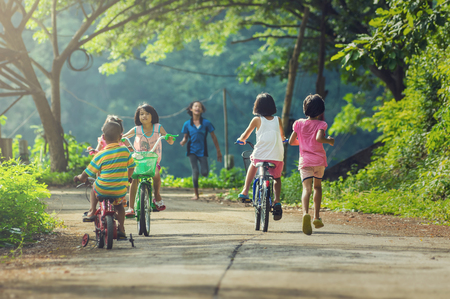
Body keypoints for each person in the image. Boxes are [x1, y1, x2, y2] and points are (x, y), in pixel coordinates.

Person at [74, 122, 136, 239]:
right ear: (120, 137)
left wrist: (80, 178)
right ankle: (121, 228)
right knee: (119, 207)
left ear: (103, 137)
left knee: (94, 188)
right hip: (120, 189)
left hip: (102, 188)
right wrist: (127, 178)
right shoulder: (125, 151)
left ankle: (92, 211)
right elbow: (132, 166)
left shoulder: (100, 154)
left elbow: (88, 172)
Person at [289, 94, 335, 235]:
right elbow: (319, 138)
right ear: (321, 110)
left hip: (305, 162)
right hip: (319, 161)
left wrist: (303, 142)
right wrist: (329, 141)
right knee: (317, 187)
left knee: (306, 189)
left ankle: (305, 214)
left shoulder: (298, 123)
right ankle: (316, 216)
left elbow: (291, 141)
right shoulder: (322, 124)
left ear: (305, 109)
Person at [237, 92, 285, 221]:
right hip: (276, 156)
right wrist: (284, 140)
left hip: (261, 155)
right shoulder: (278, 119)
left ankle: (245, 191)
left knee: (253, 163)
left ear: (257, 106)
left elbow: (245, 135)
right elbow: (282, 136)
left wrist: (241, 140)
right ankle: (277, 200)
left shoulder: (257, 120)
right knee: (277, 178)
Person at [123, 103, 174, 216]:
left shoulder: (158, 128)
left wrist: (169, 138)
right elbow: (124, 137)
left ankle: (157, 196)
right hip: (138, 160)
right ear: (138, 116)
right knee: (134, 178)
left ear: (153, 116)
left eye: (147, 114)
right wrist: (122, 140)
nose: (144, 116)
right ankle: (131, 208)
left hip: (153, 160)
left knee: (156, 175)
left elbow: (169, 140)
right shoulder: (137, 129)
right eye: (141, 114)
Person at [180, 101, 222, 200]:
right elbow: (185, 137)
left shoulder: (206, 123)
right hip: (191, 151)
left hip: (203, 151)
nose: (197, 108)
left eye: (199, 106)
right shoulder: (187, 124)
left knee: (204, 172)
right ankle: (196, 194)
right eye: (195, 106)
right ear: (191, 109)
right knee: (195, 171)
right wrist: (183, 141)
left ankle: (198, 190)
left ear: (202, 110)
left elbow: (213, 137)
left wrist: (218, 151)